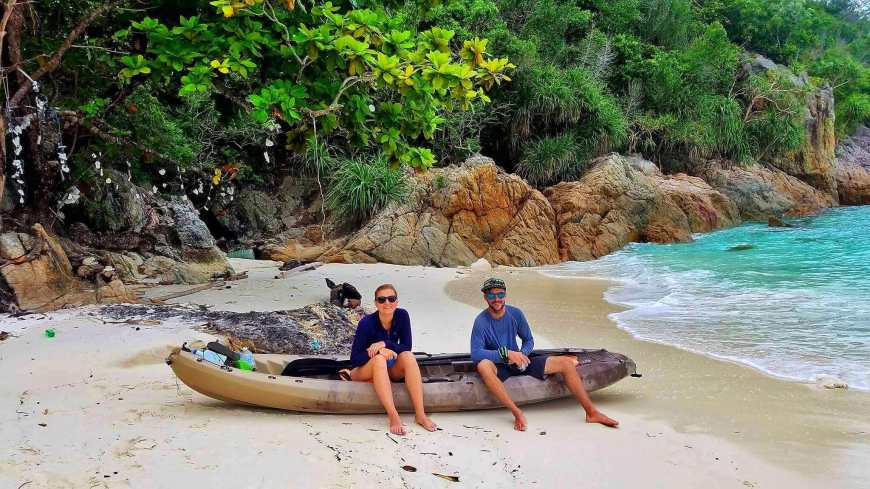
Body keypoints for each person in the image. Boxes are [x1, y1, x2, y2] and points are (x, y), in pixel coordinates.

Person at [471, 277, 618, 431]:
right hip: (498, 365)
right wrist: (506, 354)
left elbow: (528, 340)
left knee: (566, 363)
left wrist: (522, 354)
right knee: (483, 366)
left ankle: (591, 413)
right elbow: (476, 353)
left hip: (520, 361)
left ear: (505, 295)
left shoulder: (516, 314)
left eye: (500, 295)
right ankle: (516, 412)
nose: (496, 299)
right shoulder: (481, 322)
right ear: (485, 297)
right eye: (491, 296)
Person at [339, 284, 437, 435]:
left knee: (409, 357)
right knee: (379, 360)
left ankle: (420, 414)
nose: (387, 303)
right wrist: (378, 351)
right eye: (382, 299)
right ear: (376, 303)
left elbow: (406, 346)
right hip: (364, 369)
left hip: (389, 368)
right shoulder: (366, 323)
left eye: (391, 299)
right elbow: (355, 359)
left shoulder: (402, 315)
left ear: (397, 302)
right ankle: (393, 415)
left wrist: (385, 344)